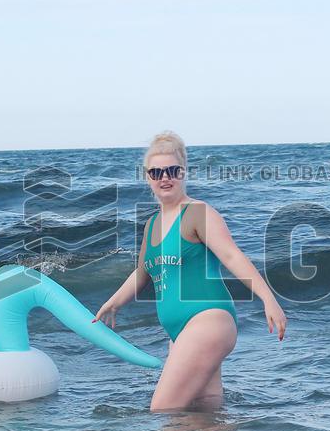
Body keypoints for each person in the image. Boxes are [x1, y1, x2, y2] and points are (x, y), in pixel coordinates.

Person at [94, 131, 287, 412]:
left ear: (184, 172)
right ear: (147, 177)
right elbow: (142, 273)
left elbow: (232, 256)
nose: (165, 177)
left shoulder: (198, 212)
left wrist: (268, 299)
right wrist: (113, 303)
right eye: (156, 172)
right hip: (181, 332)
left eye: (172, 170)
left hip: (207, 321)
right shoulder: (152, 225)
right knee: (203, 415)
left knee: (162, 410)